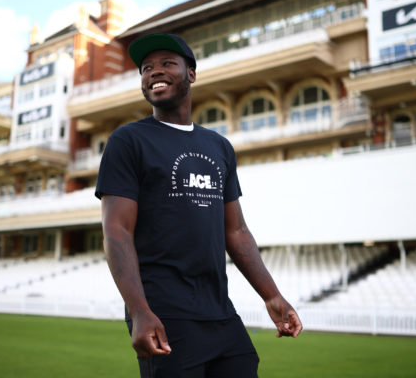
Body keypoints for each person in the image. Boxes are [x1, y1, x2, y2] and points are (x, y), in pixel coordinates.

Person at [96, 33, 302, 378]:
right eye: (146, 68)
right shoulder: (128, 141)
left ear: (191, 74)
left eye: (166, 64)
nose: (153, 72)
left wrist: (272, 296)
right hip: (164, 312)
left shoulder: (219, 146)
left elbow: (235, 231)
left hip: (220, 311)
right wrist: (139, 311)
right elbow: (116, 230)